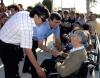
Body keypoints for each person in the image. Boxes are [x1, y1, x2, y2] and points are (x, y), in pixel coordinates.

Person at [0, 4, 49, 78]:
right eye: (43, 20)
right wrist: (38, 68)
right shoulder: (27, 27)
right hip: (6, 46)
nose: (43, 22)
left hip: (8, 41)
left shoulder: (25, 13)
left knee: (14, 68)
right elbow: (28, 51)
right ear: (36, 16)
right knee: (10, 72)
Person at [23, 12, 63, 77]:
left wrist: (60, 51)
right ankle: (35, 74)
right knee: (33, 57)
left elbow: (58, 40)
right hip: (30, 38)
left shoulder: (57, 26)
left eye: (59, 22)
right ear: (49, 20)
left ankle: (25, 69)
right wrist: (51, 51)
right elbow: (40, 46)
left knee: (29, 55)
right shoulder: (43, 26)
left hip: (37, 40)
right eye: (55, 22)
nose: (57, 24)